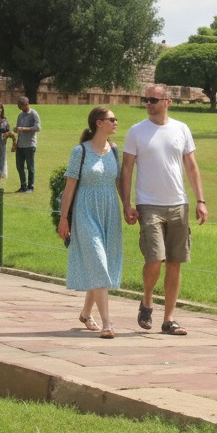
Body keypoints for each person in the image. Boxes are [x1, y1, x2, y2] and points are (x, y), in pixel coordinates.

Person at [120, 84, 207, 336]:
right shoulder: (136, 131)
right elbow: (126, 170)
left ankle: (169, 319)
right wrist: (126, 204)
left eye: (153, 100)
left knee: (175, 262)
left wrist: (201, 200)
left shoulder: (181, 129)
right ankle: (147, 300)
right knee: (155, 259)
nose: (148, 103)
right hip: (149, 205)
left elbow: (191, 167)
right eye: (145, 99)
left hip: (178, 204)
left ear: (167, 101)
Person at [57, 106, 124, 339]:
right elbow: (69, 188)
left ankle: (86, 313)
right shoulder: (80, 151)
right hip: (85, 211)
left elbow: (120, 184)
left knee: (102, 264)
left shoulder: (115, 150)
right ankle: (107, 323)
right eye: (111, 119)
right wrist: (63, 218)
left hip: (110, 211)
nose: (116, 122)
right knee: (98, 261)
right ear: (98, 123)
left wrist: (128, 207)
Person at [13, 95, 41, 193]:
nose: (20, 108)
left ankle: (30, 187)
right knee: (19, 166)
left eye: (21, 106)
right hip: (20, 145)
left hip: (30, 145)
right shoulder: (20, 115)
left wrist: (24, 129)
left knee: (30, 167)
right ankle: (23, 186)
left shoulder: (34, 114)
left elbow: (37, 128)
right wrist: (16, 130)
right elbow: (18, 129)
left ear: (26, 104)